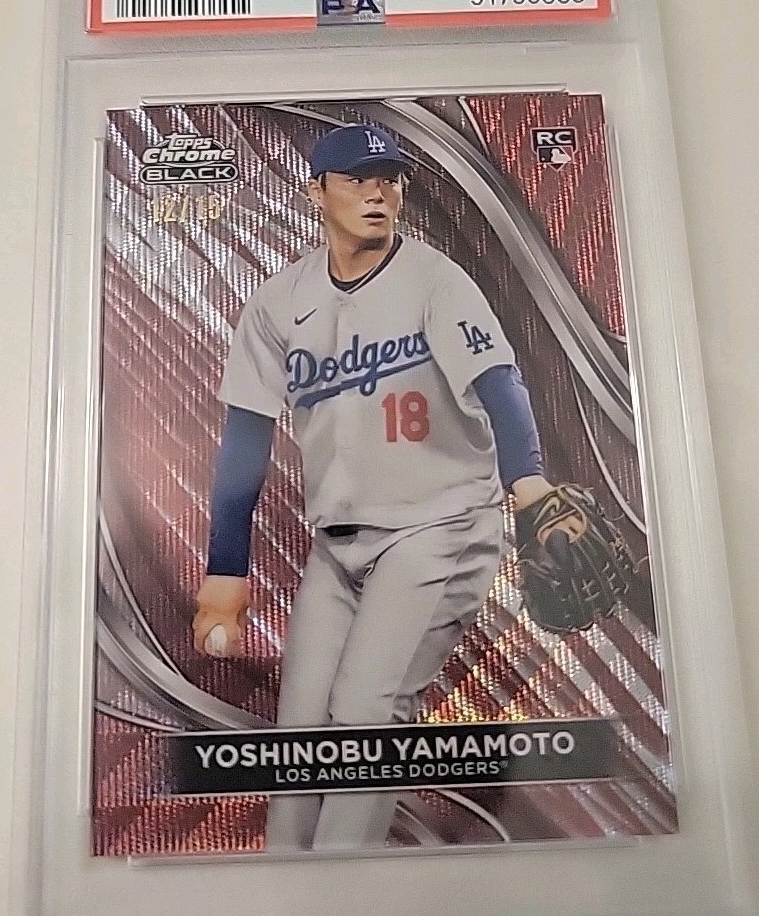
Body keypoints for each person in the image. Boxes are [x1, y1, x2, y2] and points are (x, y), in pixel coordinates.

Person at [193, 123, 556, 852]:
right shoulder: (278, 301)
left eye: (387, 178)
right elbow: (245, 437)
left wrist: (529, 483)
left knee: (366, 713)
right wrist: (226, 568)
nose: (376, 193)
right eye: (356, 178)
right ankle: (285, 880)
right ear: (316, 192)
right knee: (300, 732)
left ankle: (343, 886)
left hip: (439, 525)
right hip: (339, 545)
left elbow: (499, 383)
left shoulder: (435, 280)